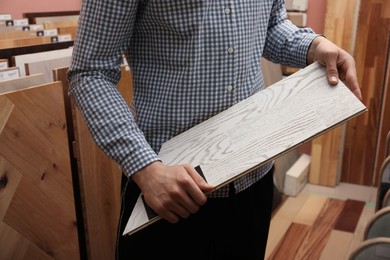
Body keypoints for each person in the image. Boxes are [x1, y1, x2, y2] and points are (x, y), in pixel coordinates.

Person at [67, 1, 362, 259]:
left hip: (252, 178)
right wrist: (144, 168)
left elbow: (270, 25)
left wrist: (313, 46)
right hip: (168, 189)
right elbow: (90, 72)